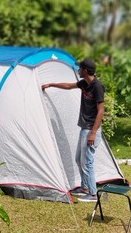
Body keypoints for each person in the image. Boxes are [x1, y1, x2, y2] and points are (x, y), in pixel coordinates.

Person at [41, 58, 105, 202]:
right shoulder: (84, 83)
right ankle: (84, 187)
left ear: (86, 70)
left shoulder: (97, 86)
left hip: (91, 130)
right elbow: (69, 86)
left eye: (80, 68)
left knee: (87, 161)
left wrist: (93, 133)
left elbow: (101, 111)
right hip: (85, 128)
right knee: (79, 159)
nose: (78, 70)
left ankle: (93, 194)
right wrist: (51, 84)